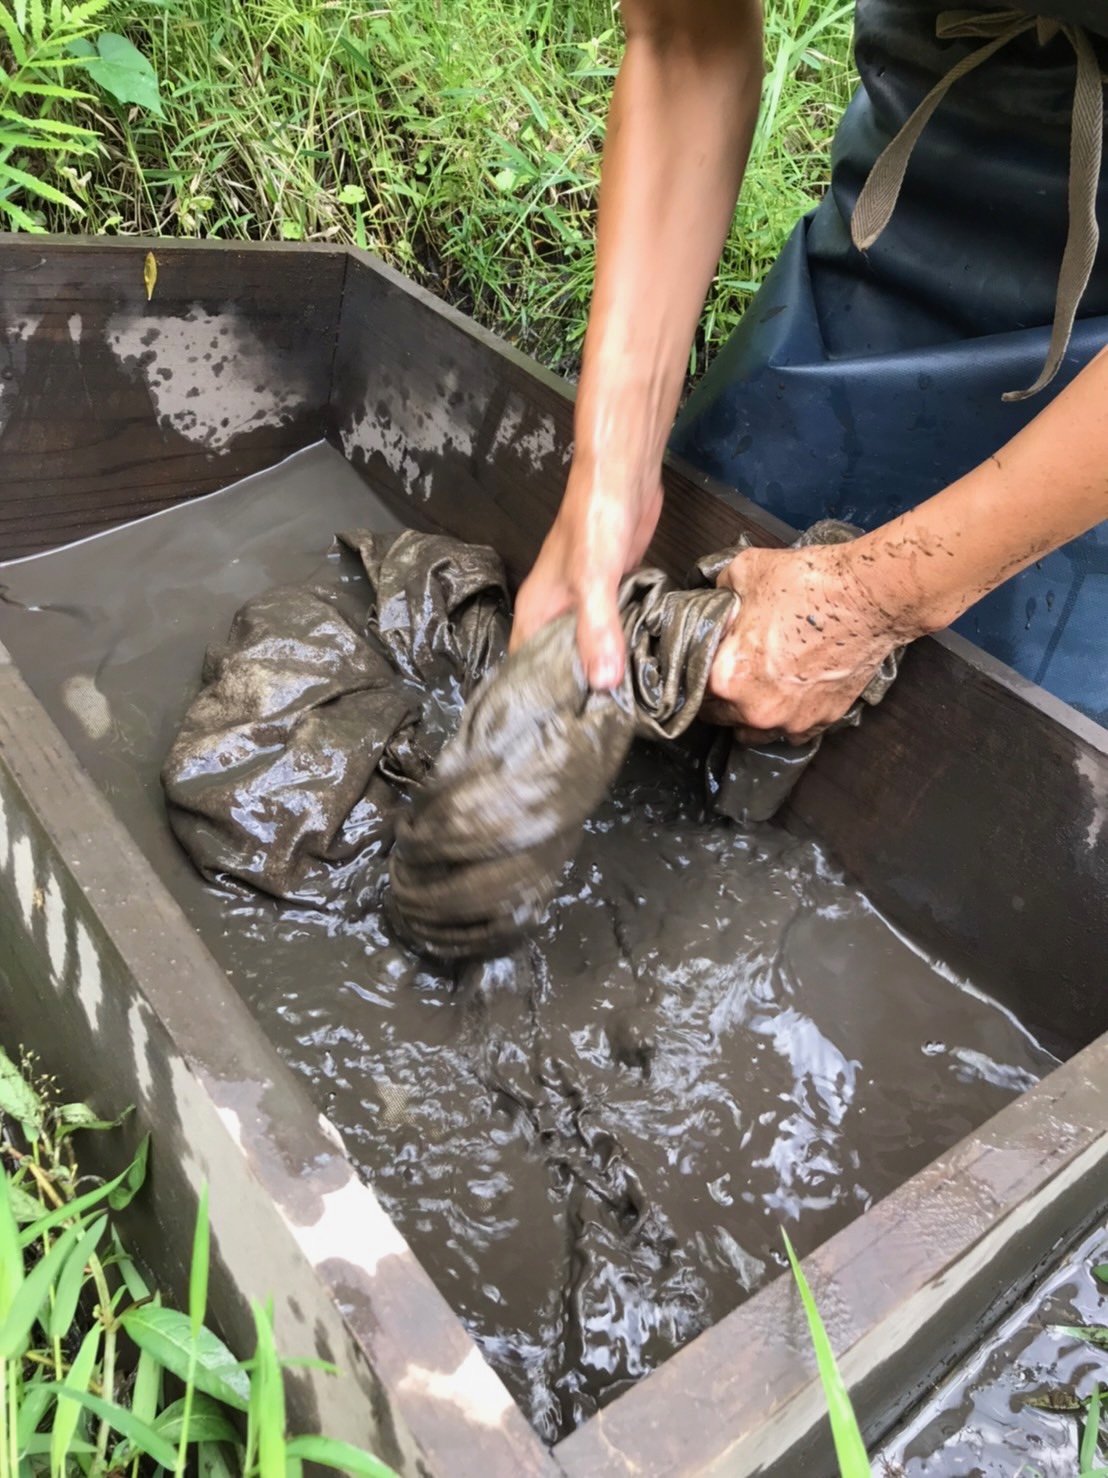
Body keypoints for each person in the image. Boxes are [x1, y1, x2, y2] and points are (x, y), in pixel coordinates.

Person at [510, 0, 1108, 741]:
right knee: (714, 573)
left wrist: (875, 601)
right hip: (901, 198)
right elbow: (685, 40)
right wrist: (613, 470)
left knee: (1015, 739)